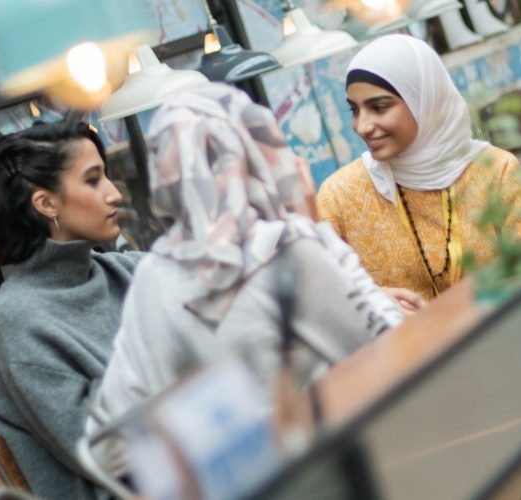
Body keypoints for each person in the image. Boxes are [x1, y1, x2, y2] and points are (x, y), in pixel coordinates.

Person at [91, 84, 405, 434]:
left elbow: (110, 436)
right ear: (252, 154)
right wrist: (316, 229)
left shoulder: (153, 274)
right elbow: (392, 344)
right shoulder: (283, 249)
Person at [0, 120, 142, 498]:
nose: (114, 194)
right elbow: (108, 453)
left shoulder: (129, 272)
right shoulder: (15, 321)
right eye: (94, 180)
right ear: (46, 203)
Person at [316, 34, 521, 300]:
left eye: (379, 107)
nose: (362, 126)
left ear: (424, 100)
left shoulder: (494, 170)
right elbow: (320, 298)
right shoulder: (339, 197)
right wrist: (374, 299)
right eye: (354, 110)